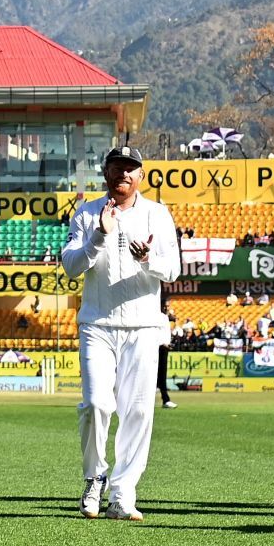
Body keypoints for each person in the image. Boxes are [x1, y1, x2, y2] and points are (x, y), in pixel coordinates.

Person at [61, 145, 181, 521]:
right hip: (97, 324)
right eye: (116, 168)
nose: (123, 175)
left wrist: (148, 259)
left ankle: (123, 492)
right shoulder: (85, 213)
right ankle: (95, 476)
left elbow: (173, 270)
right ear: (106, 172)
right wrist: (98, 235)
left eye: (130, 169)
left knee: (139, 411)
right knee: (97, 405)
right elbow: (70, 267)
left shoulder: (157, 215)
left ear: (141, 175)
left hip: (144, 326)